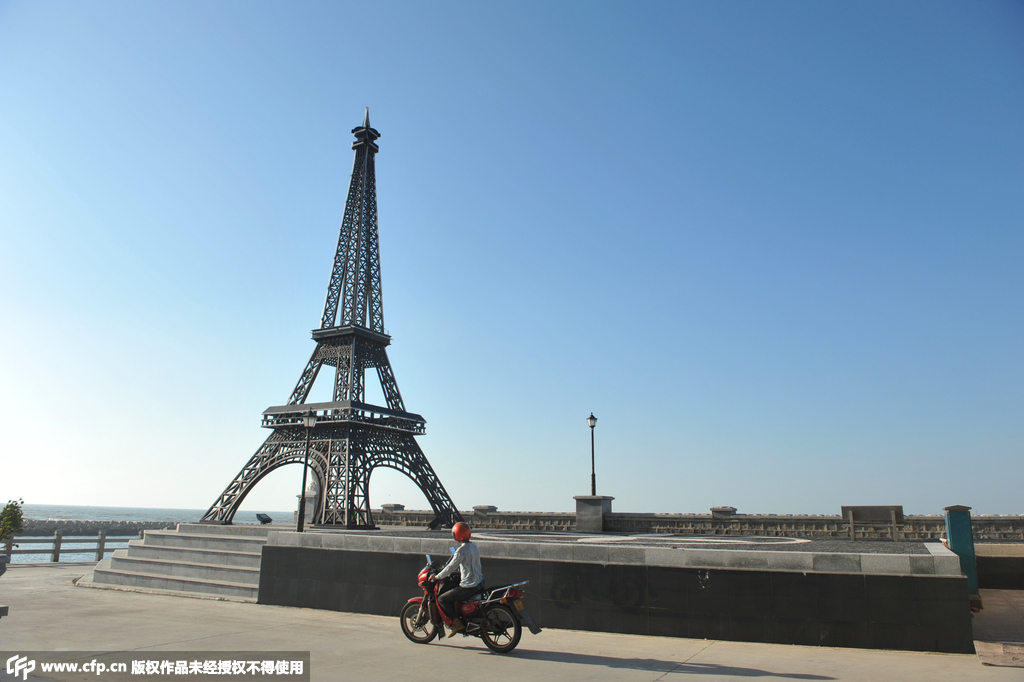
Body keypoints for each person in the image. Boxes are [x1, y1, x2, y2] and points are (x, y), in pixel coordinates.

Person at [433, 521, 483, 636]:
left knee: (442, 599)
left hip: (468, 586)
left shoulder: (461, 551)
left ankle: (456, 623)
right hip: (479, 582)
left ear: (457, 535)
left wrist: (437, 576)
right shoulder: (474, 547)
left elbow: (450, 567)